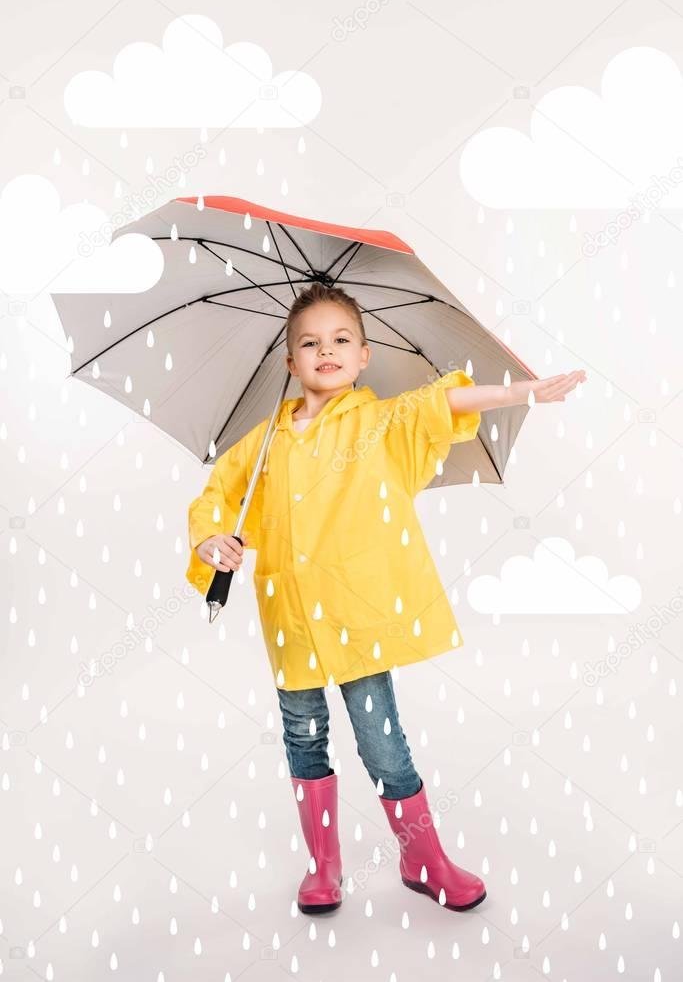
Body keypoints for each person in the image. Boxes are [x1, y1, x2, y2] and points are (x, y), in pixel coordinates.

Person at [186, 282, 587, 915]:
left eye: (341, 339)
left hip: (354, 616)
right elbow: (217, 493)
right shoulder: (268, 439)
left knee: (381, 740)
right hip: (289, 614)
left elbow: (442, 402)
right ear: (289, 362)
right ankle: (324, 865)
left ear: (364, 355)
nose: (327, 350)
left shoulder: (380, 422)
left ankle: (422, 858)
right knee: (303, 736)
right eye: (310, 343)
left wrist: (521, 391)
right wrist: (211, 539)